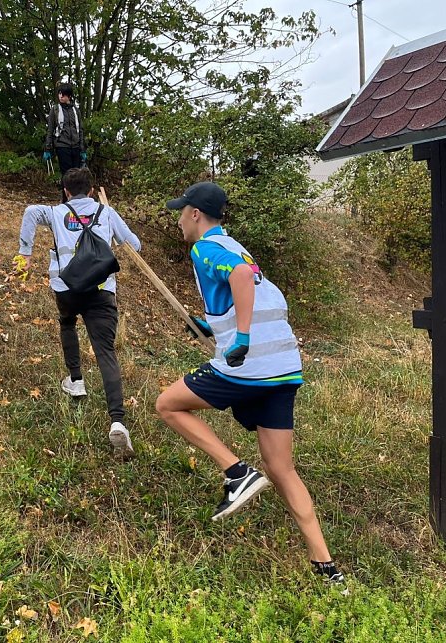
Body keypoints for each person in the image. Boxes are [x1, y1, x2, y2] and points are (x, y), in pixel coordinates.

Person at [155, 182, 344, 585]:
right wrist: (214, 325)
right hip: (283, 368)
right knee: (281, 468)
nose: (179, 220)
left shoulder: (205, 248)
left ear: (195, 214)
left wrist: (240, 337)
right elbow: (250, 290)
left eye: (181, 212)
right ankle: (327, 567)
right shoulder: (236, 247)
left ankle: (237, 472)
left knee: (167, 405)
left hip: (249, 366)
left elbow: (240, 278)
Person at [19, 167, 140, 456]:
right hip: (101, 289)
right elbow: (135, 245)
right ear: (92, 189)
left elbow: (30, 212)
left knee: (67, 322)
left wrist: (25, 252)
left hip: (66, 288)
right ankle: (118, 421)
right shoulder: (106, 212)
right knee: (105, 352)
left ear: (65, 191)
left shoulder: (54, 212)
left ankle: (76, 380)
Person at [43, 82, 87, 203]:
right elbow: (50, 129)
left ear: (69, 96)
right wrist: (48, 148)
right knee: (67, 174)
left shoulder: (76, 111)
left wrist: (82, 149)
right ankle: (65, 200)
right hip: (62, 146)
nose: (61, 96)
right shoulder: (55, 110)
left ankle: (76, 200)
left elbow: (80, 130)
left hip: (76, 146)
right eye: (59, 94)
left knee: (77, 175)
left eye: (63, 94)